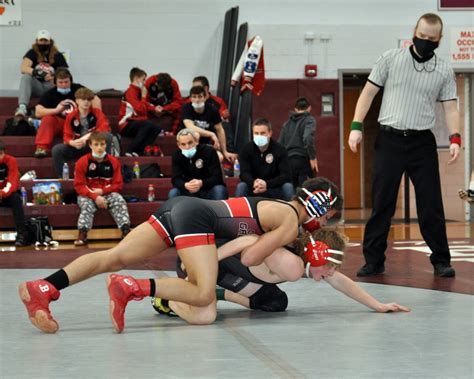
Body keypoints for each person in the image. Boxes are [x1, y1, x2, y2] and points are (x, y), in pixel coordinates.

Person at [18, 177, 341, 333]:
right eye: (327, 215)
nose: (324, 222)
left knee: (113, 255)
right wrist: (281, 246)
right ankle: (132, 287)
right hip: (196, 219)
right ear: (318, 205)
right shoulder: (288, 222)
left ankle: (44, 287)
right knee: (202, 294)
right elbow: (249, 258)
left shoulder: (282, 212)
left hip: (180, 208)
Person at [347, 13, 461, 278]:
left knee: (431, 205)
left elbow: (451, 108)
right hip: (390, 140)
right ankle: (374, 261)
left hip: (422, 142)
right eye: (421, 37)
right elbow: (368, 93)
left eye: (431, 39)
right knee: (382, 202)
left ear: (439, 40)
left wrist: (455, 137)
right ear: (414, 32)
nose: (425, 42)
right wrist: (355, 126)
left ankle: (441, 260)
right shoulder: (390, 59)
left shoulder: (444, 70)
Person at [152, 229, 409, 318]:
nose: (331, 273)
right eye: (330, 266)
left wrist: (378, 305)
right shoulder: (291, 263)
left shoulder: (306, 260)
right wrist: (202, 263)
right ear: (317, 255)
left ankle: (215, 294)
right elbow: (246, 241)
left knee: (276, 302)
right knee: (205, 315)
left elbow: (340, 281)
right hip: (205, 261)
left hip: (229, 272)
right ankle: (172, 296)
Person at [73, 132, 131, 246]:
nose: (99, 148)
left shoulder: (113, 161)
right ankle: (82, 234)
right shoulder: (82, 162)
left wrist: (102, 192)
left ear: (106, 145)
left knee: (119, 199)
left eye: (102, 144)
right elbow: (79, 186)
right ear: (90, 145)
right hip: (88, 194)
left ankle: (125, 231)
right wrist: (95, 197)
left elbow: (118, 184)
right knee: (86, 205)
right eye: (96, 144)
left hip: (107, 192)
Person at [33, 68, 102, 158]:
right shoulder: (50, 93)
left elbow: (96, 100)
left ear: (71, 81)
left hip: (78, 123)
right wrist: (56, 110)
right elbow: (38, 112)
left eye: (66, 82)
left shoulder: (78, 89)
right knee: (48, 119)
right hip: (61, 123)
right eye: (61, 83)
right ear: (55, 83)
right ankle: (41, 148)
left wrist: (97, 117)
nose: (64, 85)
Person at [51, 87, 112, 177]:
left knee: (107, 136)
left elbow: (105, 127)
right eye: (83, 99)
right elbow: (66, 136)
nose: (86, 102)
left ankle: (105, 169)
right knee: (57, 149)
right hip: (77, 146)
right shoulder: (71, 116)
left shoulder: (97, 113)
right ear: (77, 101)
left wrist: (87, 137)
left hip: (92, 145)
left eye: (89, 99)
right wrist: (72, 142)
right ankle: (63, 177)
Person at [235, 118, 294, 201]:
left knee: (288, 187)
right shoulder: (246, 149)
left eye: (262, 133)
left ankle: (290, 212)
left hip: (273, 188)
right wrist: (254, 183)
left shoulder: (280, 150)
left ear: (269, 133)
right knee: (241, 187)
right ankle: (239, 213)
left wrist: (267, 184)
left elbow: (286, 175)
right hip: (254, 187)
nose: (259, 136)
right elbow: (244, 174)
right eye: (256, 133)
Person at [15, 30, 69, 118]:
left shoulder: (58, 55)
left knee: (62, 81)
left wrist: (54, 77)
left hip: (51, 86)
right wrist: (40, 74)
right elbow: (23, 68)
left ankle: (61, 107)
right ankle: (22, 107)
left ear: (50, 41)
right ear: (37, 41)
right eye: (41, 40)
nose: (43, 43)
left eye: (45, 41)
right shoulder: (32, 53)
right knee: (26, 77)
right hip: (37, 86)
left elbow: (65, 73)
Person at [181, 85, 237, 163]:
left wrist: (224, 151)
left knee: (219, 157)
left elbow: (220, 129)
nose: (197, 100)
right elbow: (190, 127)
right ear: (190, 99)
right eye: (194, 97)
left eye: (200, 97)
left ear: (205, 97)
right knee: (196, 134)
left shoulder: (212, 109)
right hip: (188, 142)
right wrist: (211, 134)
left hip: (206, 144)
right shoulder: (186, 108)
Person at [168, 129, 228, 200]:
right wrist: (185, 185)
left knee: (219, 190)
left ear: (196, 141)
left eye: (190, 143)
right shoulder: (177, 155)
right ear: (178, 145)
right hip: (188, 191)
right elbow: (175, 179)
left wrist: (201, 183)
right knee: (173, 193)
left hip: (207, 190)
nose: (187, 147)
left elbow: (217, 178)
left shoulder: (209, 151)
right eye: (183, 144)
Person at [118, 67, 163, 156]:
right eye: (143, 79)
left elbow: (145, 104)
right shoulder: (131, 92)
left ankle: (139, 151)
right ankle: (130, 150)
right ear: (136, 78)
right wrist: (143, 96)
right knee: (147, 124)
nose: (145, 82)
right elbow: (140, 109)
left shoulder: (138, 91)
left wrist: (154, 109)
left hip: (135, 122)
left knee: (157, 128)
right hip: (126, 123)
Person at [278, 97, 318, 187]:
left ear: (295, 109)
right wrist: (312, 157)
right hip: (303, 160)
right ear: (309, 108)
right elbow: (307, 138)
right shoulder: (309, 120)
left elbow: (280, 144)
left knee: (292, 192)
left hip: (288, 161)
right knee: (305, 191)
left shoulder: (287, 123)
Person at [0, 140, 29, 246]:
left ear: (4, 153)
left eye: (1, 154)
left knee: (16, 199)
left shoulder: (11, 161)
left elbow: (12, 182)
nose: (0, 157)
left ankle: (22, 234)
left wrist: (2, 193)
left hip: (7, 194)